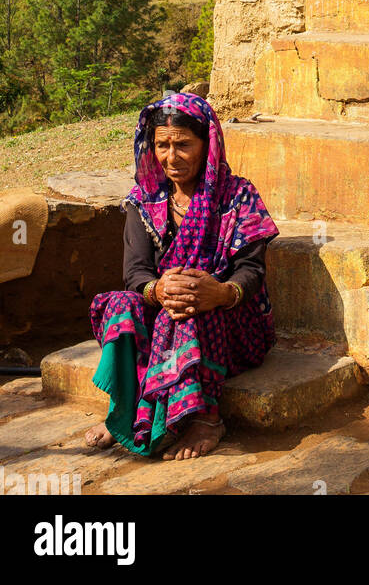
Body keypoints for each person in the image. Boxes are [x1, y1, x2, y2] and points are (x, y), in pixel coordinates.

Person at [84, 91, 278, 461]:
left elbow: (251, 271)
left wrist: (220, 292)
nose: (171, 158)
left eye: (184, 145)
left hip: (230, 322)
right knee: (121, 306)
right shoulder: (144, 200)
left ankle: (205, 419)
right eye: (162, 145)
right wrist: (158, 289)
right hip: (167, 309)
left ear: (208, 143)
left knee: (191, 308)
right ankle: (125, 412)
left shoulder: (239, 197)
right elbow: (135, 273)